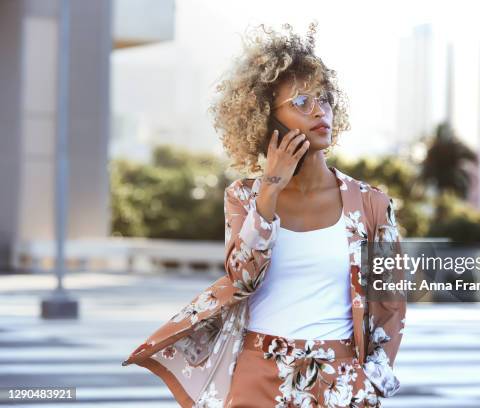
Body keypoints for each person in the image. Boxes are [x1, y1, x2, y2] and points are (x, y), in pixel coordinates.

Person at [121, 22, 406, 408]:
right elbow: (243, 279)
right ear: (268, 119)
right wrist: (269, 191)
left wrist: (370, 379)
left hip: (342, 383)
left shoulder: (372, 205)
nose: (319, 110)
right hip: (259, 378)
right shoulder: (243, 197)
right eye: (301, 103)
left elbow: (389, 304)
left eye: (324, 98)